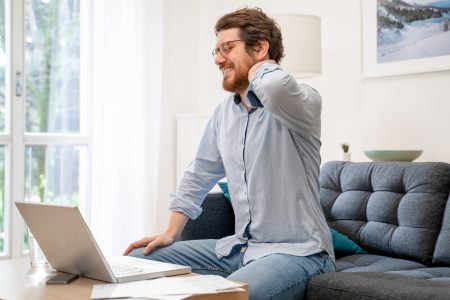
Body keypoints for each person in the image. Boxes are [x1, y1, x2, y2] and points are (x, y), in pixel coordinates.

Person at [124, 7, 335, 300]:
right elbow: (198, 175)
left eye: (227, 48)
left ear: (260, 47)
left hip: (300, 254)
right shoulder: (224, 113)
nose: (218, 59)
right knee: (134, 262)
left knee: (222, 296)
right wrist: (170, 232)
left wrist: (262, 64)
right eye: (216, 51)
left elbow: (273, 87)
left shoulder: (303, 102)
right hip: (240, 249)